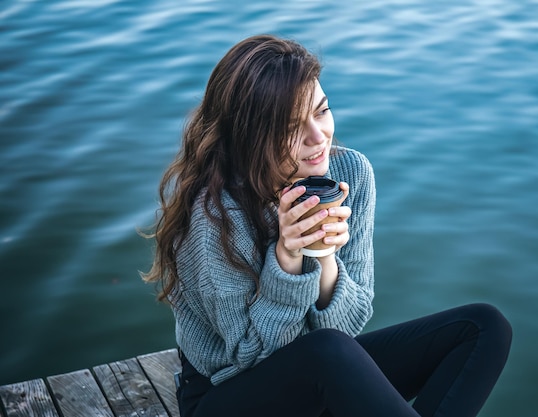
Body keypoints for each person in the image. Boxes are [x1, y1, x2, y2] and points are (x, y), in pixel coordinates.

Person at [142, 34, 512, 417]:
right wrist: (287, 259)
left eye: (321, 110)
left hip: (323, 371)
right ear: (251, 138)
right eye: (290, 128)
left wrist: (325, 257)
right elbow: (250, 358)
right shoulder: (213, 217)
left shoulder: (351, 174)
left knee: (484, 327)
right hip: (225, 394)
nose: (318, 138)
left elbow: (347, 326)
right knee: (327, 353)